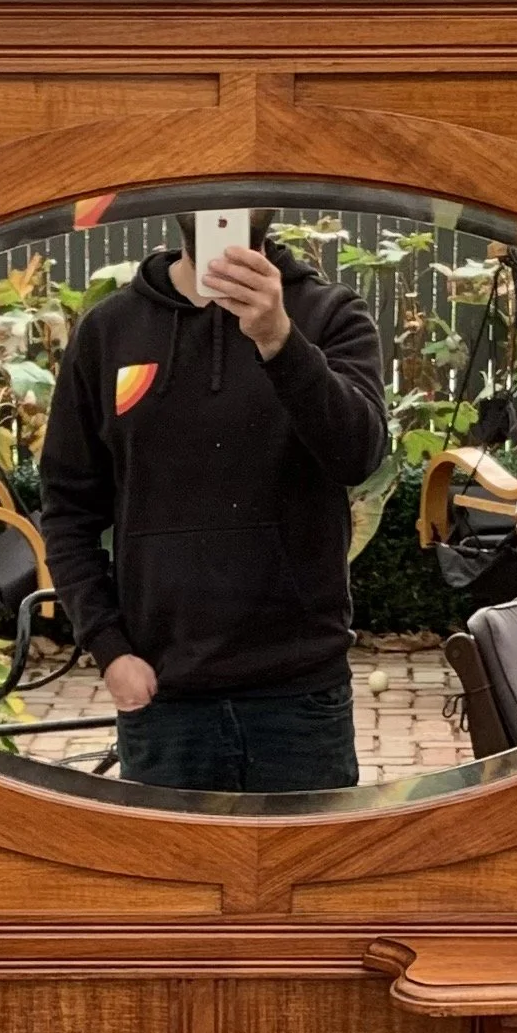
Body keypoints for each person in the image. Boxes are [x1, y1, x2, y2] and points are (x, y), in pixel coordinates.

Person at [37, 211, 389, 793]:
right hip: (163, 696)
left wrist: (280, 340)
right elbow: (68, 506)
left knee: (306, 855)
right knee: (171, 858)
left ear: (271, 199)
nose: (224, 198)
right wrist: (110, 648)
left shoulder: (329, 314)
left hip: (299, 695)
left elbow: (359, 455)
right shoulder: (109, 330)